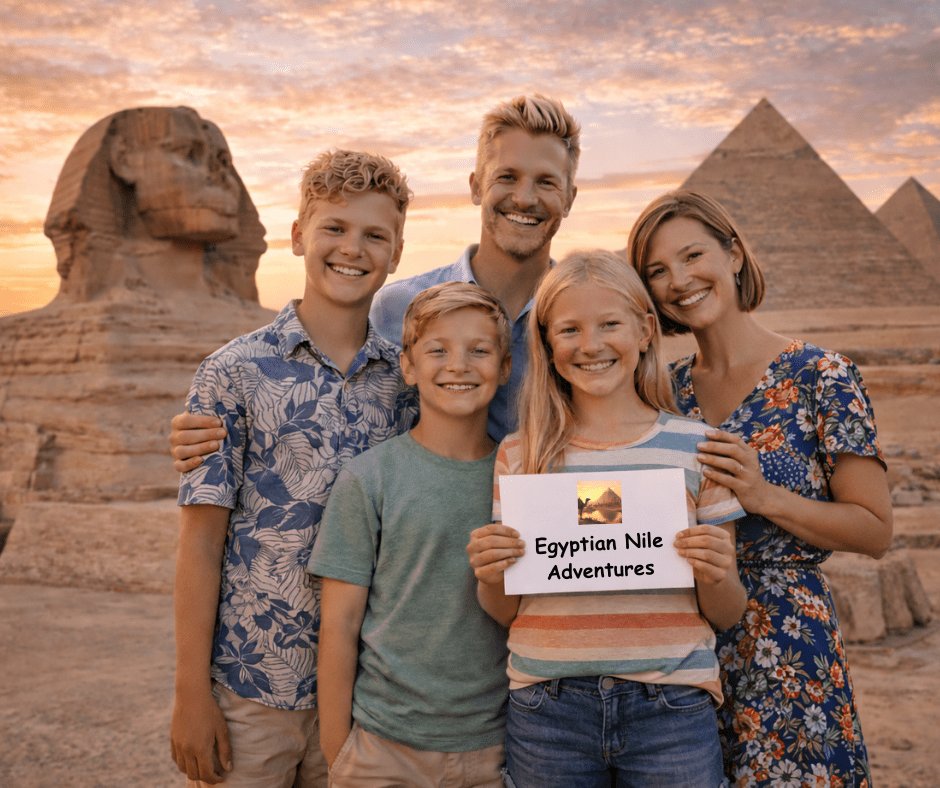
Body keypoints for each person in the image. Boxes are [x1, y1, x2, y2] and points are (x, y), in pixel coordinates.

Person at [627, 190, 893, 788]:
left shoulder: (822, 375)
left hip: (789, 647)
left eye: (693, 255)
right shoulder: (663, 394)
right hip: (682, 649)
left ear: (735, 255)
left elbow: (875, 530)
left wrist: (764, 495)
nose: (680, 280)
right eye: (658, 271)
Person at [170, 149, 417, 787]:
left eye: (374, 236)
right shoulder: (233, 372)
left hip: (369, 692)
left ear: (395, 254)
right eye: (334, 227)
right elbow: (201, 542)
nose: (352, 249)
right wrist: (190, 693)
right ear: (298, 235)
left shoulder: (409, 383)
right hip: (252, 688)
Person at [167, 94, 580, 464]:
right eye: (506, 177)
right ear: (475, 187)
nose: (525, 198)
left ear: (570, 198)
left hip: (553, 538)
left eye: (546, 182)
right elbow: (334, 390)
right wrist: (220, 425)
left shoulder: (586, 318)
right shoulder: (398, 307)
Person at [467, 249, 748, 788]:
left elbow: (727, 611)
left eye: (609, 325)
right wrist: (490, 571)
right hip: (548, 709)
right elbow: (504, 610)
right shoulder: (520, 455)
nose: (590, 345)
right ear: (548, 346)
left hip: (671, 707)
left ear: (645, 331)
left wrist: (717, 572)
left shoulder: (696, 450)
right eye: (569, 330)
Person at [309, 282, 513, 787]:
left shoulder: (523, 478)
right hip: (383, 749)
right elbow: (340, 624)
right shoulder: (370, 478)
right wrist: (339, 753)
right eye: (437, 351)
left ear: (505, 368)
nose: (458, 366)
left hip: (496, 746)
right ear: (408, 366)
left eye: (479, 351)